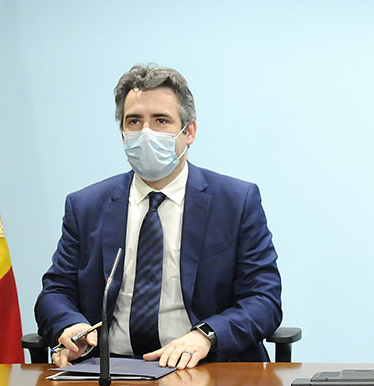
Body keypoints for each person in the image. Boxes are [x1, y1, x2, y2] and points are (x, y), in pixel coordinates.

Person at [36, 64, 282, 369]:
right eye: (134, 121)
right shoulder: (86, 206)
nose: (146, 133)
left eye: (161, 120)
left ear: (189, 131)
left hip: (203, 367)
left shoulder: (236, 202)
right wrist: (70, 325)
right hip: (111, 370)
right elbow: (56, 292)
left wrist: (207, 336)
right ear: (122, 133)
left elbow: (263, 299)